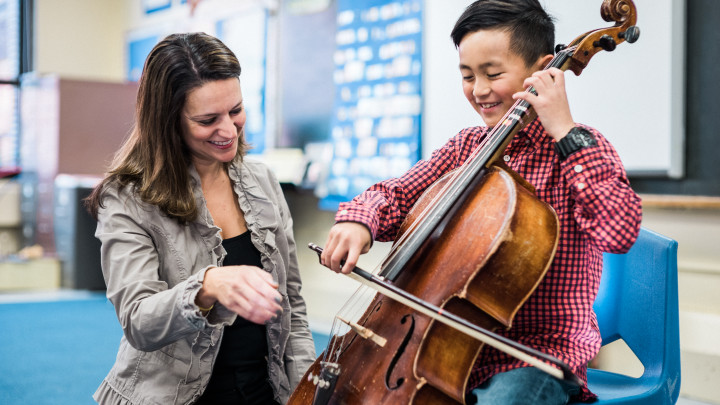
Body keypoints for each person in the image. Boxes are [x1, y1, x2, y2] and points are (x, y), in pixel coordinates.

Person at [320, 1, 642, 404]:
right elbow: (395, 194)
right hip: (438, 346)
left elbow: (619, 231)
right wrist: (359, 221)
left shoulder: (578, 147)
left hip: (535, 356)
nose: (479, 90)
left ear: (544, 71)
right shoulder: (467, 148)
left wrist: (563, 129)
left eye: (493, 74)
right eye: (468, 76)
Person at [86, 32, 315, 405]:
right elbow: (139, 321)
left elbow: (292, 307)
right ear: (168, 120)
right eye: (208, 120)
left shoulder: (262, 181)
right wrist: (206, 287)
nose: (228, 131)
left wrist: (307, 391)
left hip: (263, 391)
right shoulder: (127, 197)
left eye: (236, 111)